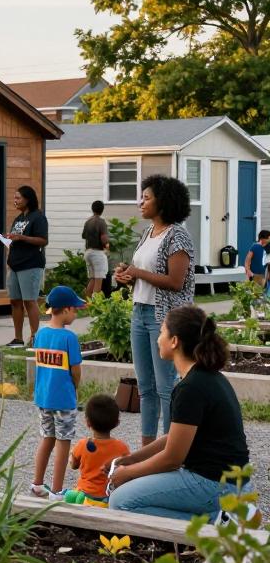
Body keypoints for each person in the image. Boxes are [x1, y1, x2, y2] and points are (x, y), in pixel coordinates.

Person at [108, 306, 258, 523]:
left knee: (120, 501)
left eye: (161, 332)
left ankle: (218, 522)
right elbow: (175, 438)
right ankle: (224, 517)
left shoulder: (191, 388)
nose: (158, 339)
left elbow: (172, 459)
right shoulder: (207, 377)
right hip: (231, 482)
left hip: (216, 485)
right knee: (132, 491)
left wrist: (129, 473)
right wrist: (132, 459)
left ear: (174, 341)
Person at [115, 175, 195, 445]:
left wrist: (138, 272)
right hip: (139, 312)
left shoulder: (178, 235)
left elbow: (175, 281)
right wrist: (128, 275)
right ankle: (147, 448)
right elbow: (146, 274)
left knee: (165, 387)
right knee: (145, 388)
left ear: (163, 202)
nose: (141, 202)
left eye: (147, 198)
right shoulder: (148, 233)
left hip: (163, 319)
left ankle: (170, 449)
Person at [30, 286, 84, 499]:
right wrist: (75, 387)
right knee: (63, 442)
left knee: (47, 438)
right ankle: (58, 489)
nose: (76, 314)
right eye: (75, 310)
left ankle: (37, 483)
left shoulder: (40, 334)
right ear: (66, 310)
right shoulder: (69, 338)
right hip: (63, 399)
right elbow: (76, 370)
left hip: (43, 397)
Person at [5, 185, 48, 347]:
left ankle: (35, 337)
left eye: (18, 198)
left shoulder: (38, 217)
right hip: (15, 264)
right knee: (15, 301)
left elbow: (43, 240)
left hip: (30, 265)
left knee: (29, 301)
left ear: (28, 199)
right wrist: (8, 238)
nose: (15, 201)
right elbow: (15, 237)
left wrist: (22, 238)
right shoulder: (19, 218)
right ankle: (18, 338)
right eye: (14, 198)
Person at [70, 394, 130, 505]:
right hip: (108, 498)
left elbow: (73, 465)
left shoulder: (82, 444)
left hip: (84, 496)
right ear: (117, 423)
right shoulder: (122, 448)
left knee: (68, 495)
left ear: (88, 422)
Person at [82, 200, 110, 299]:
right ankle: (95, 304)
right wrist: (108, 246)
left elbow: (84, 236)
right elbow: (103, 238)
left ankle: (87, 303)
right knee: (99, 279)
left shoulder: (88, 221)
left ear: (92, 209)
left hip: (88, 252)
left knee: (93, 278)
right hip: (97, 253)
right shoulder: (101, 221)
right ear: (102, 210)